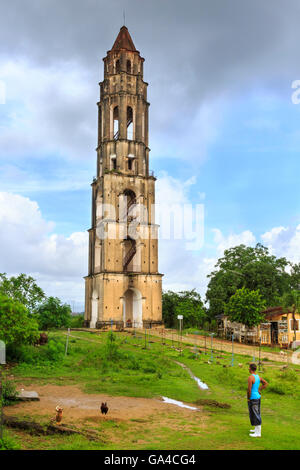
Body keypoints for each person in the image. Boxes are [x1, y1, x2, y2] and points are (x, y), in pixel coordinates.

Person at [247, 363, 268, 437]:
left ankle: (258, 433)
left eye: (249, 368)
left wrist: (248, 398)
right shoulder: (258, 377)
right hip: (258, 397)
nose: (248, 369)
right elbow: (265, 383)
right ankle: (256, 430)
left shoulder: (250, 377)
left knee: (255, 414)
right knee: (255, 413)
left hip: (253, 398)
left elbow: (249, 390)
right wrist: (259, 389)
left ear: (250, 369)